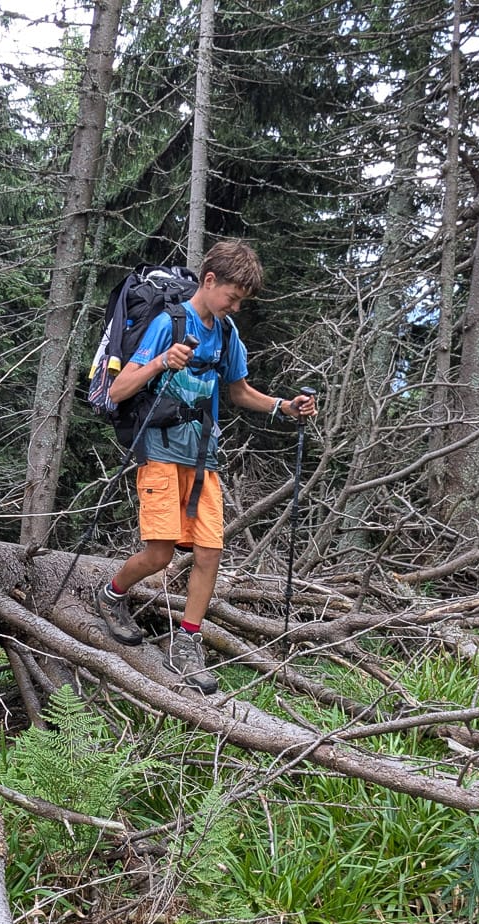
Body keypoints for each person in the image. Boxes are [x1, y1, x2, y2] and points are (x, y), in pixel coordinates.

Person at [91, 240, 317, 694]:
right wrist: (162, 361)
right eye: (232, 297)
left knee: (209, 552)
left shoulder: (227, 334)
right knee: (160, 555)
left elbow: (239, 392)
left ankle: (187, 641)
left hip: (203, 457)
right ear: (209, 280)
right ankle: (112, 594)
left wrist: (283, 407)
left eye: (241, 301)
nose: (235, 307)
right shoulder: (168, 323)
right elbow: (117, 390)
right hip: (159, 451)